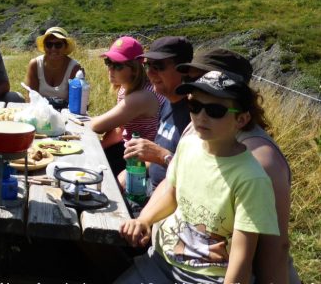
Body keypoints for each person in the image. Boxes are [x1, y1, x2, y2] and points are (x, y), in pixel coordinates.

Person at [118, 70, 279, 284]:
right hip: (162, 260)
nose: (201, 116)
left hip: (207, 278)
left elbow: (242, 257)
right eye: (194, 106)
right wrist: (145, 221)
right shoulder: (188, 145)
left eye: (215, 110)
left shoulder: (251, 179)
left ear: (241, 119)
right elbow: (172, 192)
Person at [176, 49, 298, 284]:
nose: (197, 87)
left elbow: (275, 248)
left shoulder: (262, 160)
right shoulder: (198, 130)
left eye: (204, 79)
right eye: (190, 81)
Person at [120, 36, 194, 193]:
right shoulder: (167, 103)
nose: (150, 73)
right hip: (146, 190)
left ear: (184, 69)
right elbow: (153, 159)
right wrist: (125, 176)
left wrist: (162, 156)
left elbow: (197, 177)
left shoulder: (197, 114)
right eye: (147, 66)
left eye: (159, 66)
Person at [90, 36, 164, 174]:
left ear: (134, 69)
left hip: (141, 162)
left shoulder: (141, 96)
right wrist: (100, 147)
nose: (110, 69)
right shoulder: (126, 88)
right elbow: (120, 129)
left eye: (117, 65)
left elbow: (97, 126)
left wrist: (87, 122)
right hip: (129, 148)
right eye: (108, 62)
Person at [24, 26, 81, 110]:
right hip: (40, 112)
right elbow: (31, 97)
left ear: (65, 47)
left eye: (58, 45)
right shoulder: (35, 64)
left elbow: (74, 102)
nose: (53, 49)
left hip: (65, 113)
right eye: (49, 44)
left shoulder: (74, 68)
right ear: (44, 47)